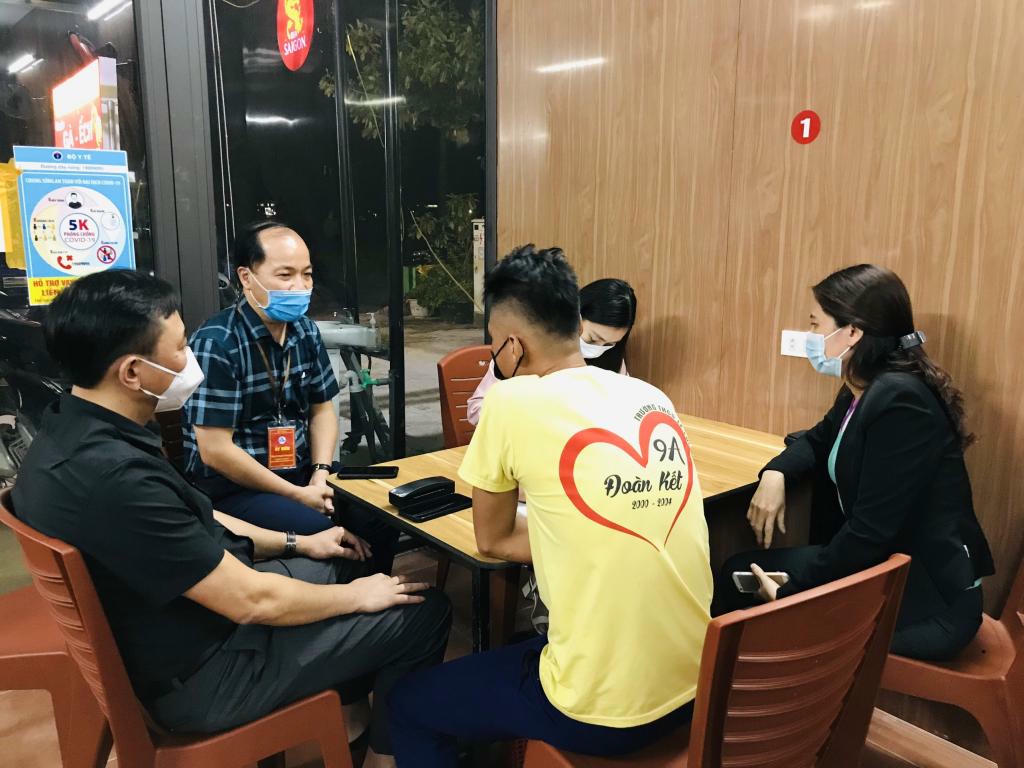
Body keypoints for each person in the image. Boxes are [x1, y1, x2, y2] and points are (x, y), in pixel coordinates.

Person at [11, 270, 451, 768]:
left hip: (180, 631)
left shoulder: (70, 430)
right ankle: (384, 759)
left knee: (345, 557)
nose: (191, 359)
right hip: (205, 676)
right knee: (423, 610)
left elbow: (197, 516)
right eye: (180, 347)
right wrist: (357, 597)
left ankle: (350, 716)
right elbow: (250, 599)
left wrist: (299, 543)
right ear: (132, 372)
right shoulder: (114, 476)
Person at [388, 245, 710, 766]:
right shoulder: (651, 398)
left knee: (409, 705)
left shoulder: (510, 401)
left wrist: (565, 534)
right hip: (698, 683)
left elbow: (492, 539)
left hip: (601, 712)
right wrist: (576, 533)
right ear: (575, 324)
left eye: (494, 347)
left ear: (513, 345)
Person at [714, 264, 994, 661]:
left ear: (852, 332)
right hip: (884, 567)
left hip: (928, 603)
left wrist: (792, 594)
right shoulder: (864, 387)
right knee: (739, 573)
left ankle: (741, 694)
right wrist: (775, 473)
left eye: (815, 324)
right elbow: (817, 439)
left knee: (739, 584)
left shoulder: (899, 401)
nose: (810, 336)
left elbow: (869, 532)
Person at [182, 220, 398, 572]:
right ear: (246, 277)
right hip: (234, 488)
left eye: (307, 274)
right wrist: (298, 495)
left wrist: (320, 473)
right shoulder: (217, 342)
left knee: (382, 514)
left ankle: (378, 599)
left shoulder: (305, 331)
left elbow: (323, 410)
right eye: (285, 275)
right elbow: (215, 450)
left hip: (301, 471)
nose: (300, 286)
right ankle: (347, 600)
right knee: (325, 531)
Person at [466, 277, 637, 425]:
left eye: (609, 344)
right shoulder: (524, 347)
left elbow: (625, 408)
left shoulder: (612, 360)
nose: (598, 349)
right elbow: (475, 411)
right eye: (592, 339)